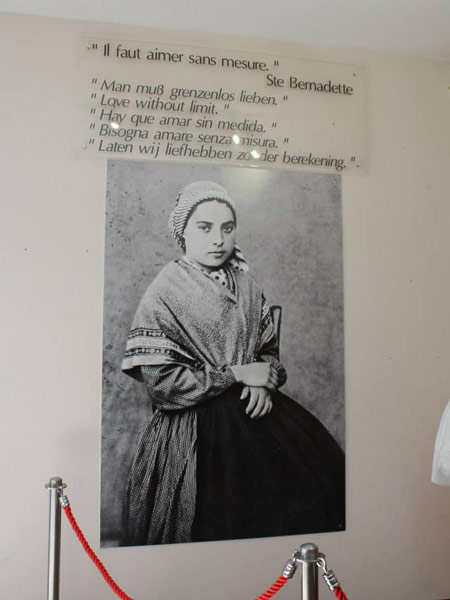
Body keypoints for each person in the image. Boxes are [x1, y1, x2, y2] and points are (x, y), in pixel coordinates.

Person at [121, 180, 345, 546]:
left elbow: (268, 352)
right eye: (204, 227)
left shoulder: (246, 284)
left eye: (227, 228)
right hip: (195, 431)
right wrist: (238, 373)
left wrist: (264, 382)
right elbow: (163, 385)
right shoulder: (165, 289)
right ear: (183, 231)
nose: (218, 239)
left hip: (258, 415)